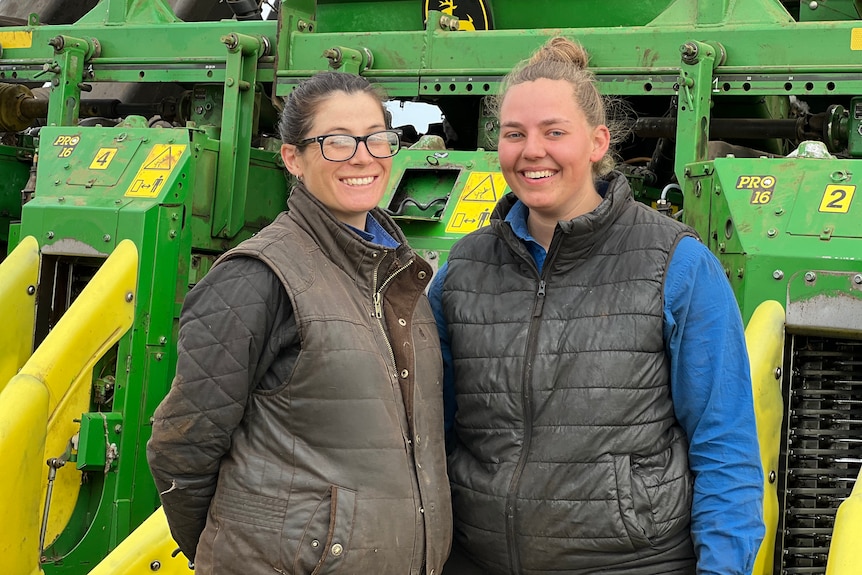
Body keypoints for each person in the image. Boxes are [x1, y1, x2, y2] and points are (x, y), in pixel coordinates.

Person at [429, 37, 764, 575]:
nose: (531, 150)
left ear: (597, 142)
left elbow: (724, 448)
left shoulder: (676, 264)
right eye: (514, 134)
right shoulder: (463, 271)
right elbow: (428, 435)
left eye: (554, 132)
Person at [147, 71, 452, 575]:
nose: (363, 156)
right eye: (336, 142)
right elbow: (183, 446)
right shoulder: (258, 278)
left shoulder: (402, 277)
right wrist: (250, 548)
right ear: (293, 159)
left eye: (377, 138)